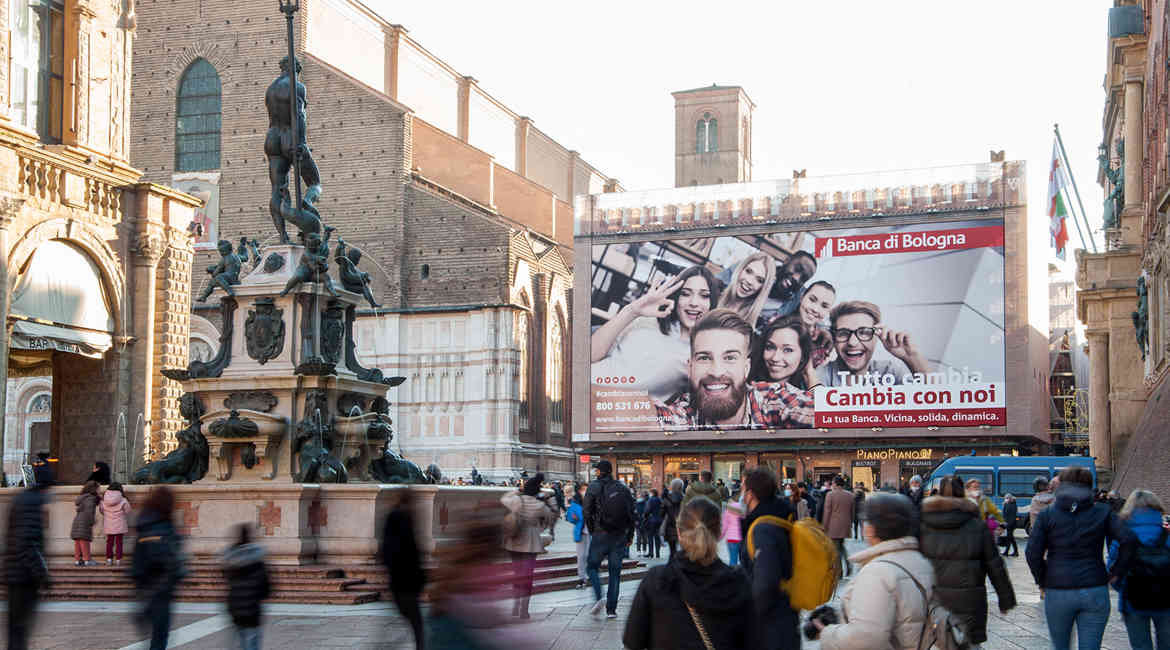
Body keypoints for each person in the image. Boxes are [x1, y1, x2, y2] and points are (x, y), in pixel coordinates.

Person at [1026, 466, 1138, 650]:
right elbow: (1129, 540)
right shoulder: (1102, 512)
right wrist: (1117, 571)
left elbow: (1032, 552)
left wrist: (1042, 579)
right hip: (1094, 586)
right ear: (1089, 486)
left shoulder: (1048, 515)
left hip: (1057, 588)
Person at [623, 497, 755, 650]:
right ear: (718, 532)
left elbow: (633, 641)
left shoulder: (657, 581)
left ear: (679, 532)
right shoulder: (738, 583)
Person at [812, 493, 937, 650]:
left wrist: (828, 633)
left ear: (871, 529)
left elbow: (865, 639)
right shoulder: (921, 561)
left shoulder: (877, 572)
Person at [656, 309, 814, 430]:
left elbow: (830, 413)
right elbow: (647, 416)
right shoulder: (685, 410)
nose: (716, 372)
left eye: (730, 358)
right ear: (690, 368)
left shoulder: (771, 398)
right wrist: (631, 311)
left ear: (746, 368)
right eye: (704, 358)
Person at [591, 265, 721, 401]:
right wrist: (632, 311)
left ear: (712, 302)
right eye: (685, 294)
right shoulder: (647, 321)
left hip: (611, 409)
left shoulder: (702, 353)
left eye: (704, 296)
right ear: (676, 297)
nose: (694, 303)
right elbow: (590, 356)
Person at [919, 475, 1016, 647]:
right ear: (963, 493)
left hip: (935, 602)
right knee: (969, 644)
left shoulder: (923, 524)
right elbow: (995, 565)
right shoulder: (977, 525)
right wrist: (1005, 598)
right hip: (971, 603)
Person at [738, 466, 799, 650]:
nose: (740, 493)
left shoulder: (764, 529)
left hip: (771, 626)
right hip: (786, 613)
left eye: (742, 488)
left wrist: (748, 619)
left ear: (750, 493)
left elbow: (766, 583)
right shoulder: (780, 514)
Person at [1108, 489, 1170, 650]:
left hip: (1132, 599)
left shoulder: (1123, 534)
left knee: (1141, 645)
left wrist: (1125, 588)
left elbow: (1112, 569)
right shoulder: (1166, 534)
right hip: (1166, 599)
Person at [818, 301, 931, 387]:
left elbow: (941, 407)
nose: (852, 342)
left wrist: (912, 357)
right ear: (834, 338)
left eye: (864, 332)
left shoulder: (889, 372)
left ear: (877, 336)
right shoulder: (819, 377)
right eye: (843, 333)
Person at [131, 486, 187, 650]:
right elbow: (173, 563)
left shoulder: (143, 527)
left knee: (153, 640)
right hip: (162, 594)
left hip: (145, 593)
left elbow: (135, 567)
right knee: (159, 640)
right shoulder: (167, 529)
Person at [5, 464, 51, 650]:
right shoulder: (32, 503)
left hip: (17, 572)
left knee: (16, 627)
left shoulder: (22, 500)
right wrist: (42, 573)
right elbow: (27, 543)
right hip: (23, 575)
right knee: (19, 627)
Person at [583, 460, 635, 619]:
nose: (595, 472)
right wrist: (630, 535)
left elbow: (586, 511)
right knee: (615, 572)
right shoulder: (622, 488)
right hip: (619, 535)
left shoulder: (593, 486)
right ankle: (611, 610)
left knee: (591, 567)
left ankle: (599, 596)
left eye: (597, 470)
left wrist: (593, 530)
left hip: (600, 533)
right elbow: (631, 513)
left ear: (600, 472)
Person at [500, 473, 556, 619]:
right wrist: (540, 526)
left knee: (516, 574)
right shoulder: (539, 505)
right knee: (527, 577)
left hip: (515, 541)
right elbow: (551, 517)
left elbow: (503, 498)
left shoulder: (516, 501)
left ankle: (515, 606)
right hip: (531, 544)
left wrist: (518, 490)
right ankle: (524, 609)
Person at [382, 489, 427, 648]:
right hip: (405, 579)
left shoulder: (397, 515)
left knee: (411, 619)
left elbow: (388, 549)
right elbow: (410, 550)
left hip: (400, 579)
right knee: (415, 621)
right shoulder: (401, 517)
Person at [223, 524, 271, 650]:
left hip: (235, 608)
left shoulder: (229, 559)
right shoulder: (258, 561)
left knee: (239, 641)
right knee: (252, 643)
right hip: (252, 609)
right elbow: (266, 587)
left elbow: (225, 579)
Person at [750, 315, 821, 391]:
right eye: (770, 347)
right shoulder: (749, 385)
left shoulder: (805, 389)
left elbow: (824, 403)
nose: (775, 358)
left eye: (788, 350)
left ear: (803, 356)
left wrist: (810, 373)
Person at [755, 251, 819, 325]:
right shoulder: (761, 272)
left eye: (803, 279)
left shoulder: (797, 300)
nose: (797, 278)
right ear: (787, 261)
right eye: (797, 269)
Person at [718, 252, 777, 329]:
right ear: (741, 269)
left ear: (763, 288)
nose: (749, 281)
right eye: (748, 271)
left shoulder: (747, 325)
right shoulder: (713, 295)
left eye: (759, 280)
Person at [792, 280, 837, 368]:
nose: (815, 309)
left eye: (824, 306)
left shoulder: (825, 341)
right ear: (802, 297)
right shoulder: (779, 326)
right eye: (812, 300)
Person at [822, 475, 856, 577]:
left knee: (836, 549)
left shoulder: (830, 495)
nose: (832, 485)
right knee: (841, 546)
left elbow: (827, 512)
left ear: (836, 484)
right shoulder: (850, 495)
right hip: (845, 525)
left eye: (832, 483)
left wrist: (824, 526)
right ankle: (849, 565)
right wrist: (851, 523)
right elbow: (853, 511)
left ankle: (839, 572)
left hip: (833, 525)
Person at [101, 481, 132, 565]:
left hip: (108, 524)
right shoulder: (123, 499)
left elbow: (101, 510)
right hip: (120, 524)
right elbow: (128, 510)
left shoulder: (104, 498)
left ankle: (109, 560)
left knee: (109, 542)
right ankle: (118, 560)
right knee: (119, 543)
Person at [566, 482, 589, 589]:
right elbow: (570, 516)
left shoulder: (592, 501)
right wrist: (573, 517)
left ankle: (590, 576)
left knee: (589, 555)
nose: (585, 491)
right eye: (583, 489)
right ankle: (582, 578)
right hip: (581, 532)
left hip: (592, 532)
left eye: (586, 489)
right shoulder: (575, 503)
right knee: (581, 557)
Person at [71, 480, 100, 566]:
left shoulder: (83, 497)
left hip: (77, 521)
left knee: (78, 541)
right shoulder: (90, 498)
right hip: (84, 521)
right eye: (98, 489)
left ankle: (77, 560)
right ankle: (87, 560)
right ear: (93, 489)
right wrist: (92, 521)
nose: (99, 491)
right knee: (84, 540)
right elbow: (89, 512)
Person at [662, 478, 685, 560]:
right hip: (682, 526)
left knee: (672, 550)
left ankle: (671, 568)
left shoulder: (667, 498)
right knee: (684, 551)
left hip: (670, 526)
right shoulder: (685, 498)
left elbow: (662, 513)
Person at [721, 499, 745, 567]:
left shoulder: (727, 510)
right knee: (743, 560)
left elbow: (724, 526)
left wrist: (720, 537)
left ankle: (733, 575)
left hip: (731, 539)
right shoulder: (743, 508)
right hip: (741, 538)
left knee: (733, 560)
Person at [644, 489, 663, 559]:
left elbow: (647, 510)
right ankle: (657, 553)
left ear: (652, 493)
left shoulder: (651, 500)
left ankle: (651, 553)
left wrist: (645, 516)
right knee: (657, 537)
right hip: (658, 520)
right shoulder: (659, 499)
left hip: (651, 520)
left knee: (650, 537)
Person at [1002, 493, 1020, 557]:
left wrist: (1008, 524)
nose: (1006, 499)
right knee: (1011, 538)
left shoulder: (1013, 505)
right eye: (1005, 498)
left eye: (1007, 498)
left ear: (1010, 498)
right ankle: (1015, 552)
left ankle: (1007, 552)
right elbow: (1004, 514)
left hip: (1011, 524)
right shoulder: (1007, 504)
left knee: (1009, 538)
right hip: (1007, 523)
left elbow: (1012, 516)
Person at [634, 490, 648, 556]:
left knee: (643, 537)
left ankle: (643, 550)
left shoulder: (645, 503)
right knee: (640, 537)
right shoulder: (636, 503)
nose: (638, 496)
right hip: (639, 522)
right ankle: (639, 550)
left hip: (643, 522)